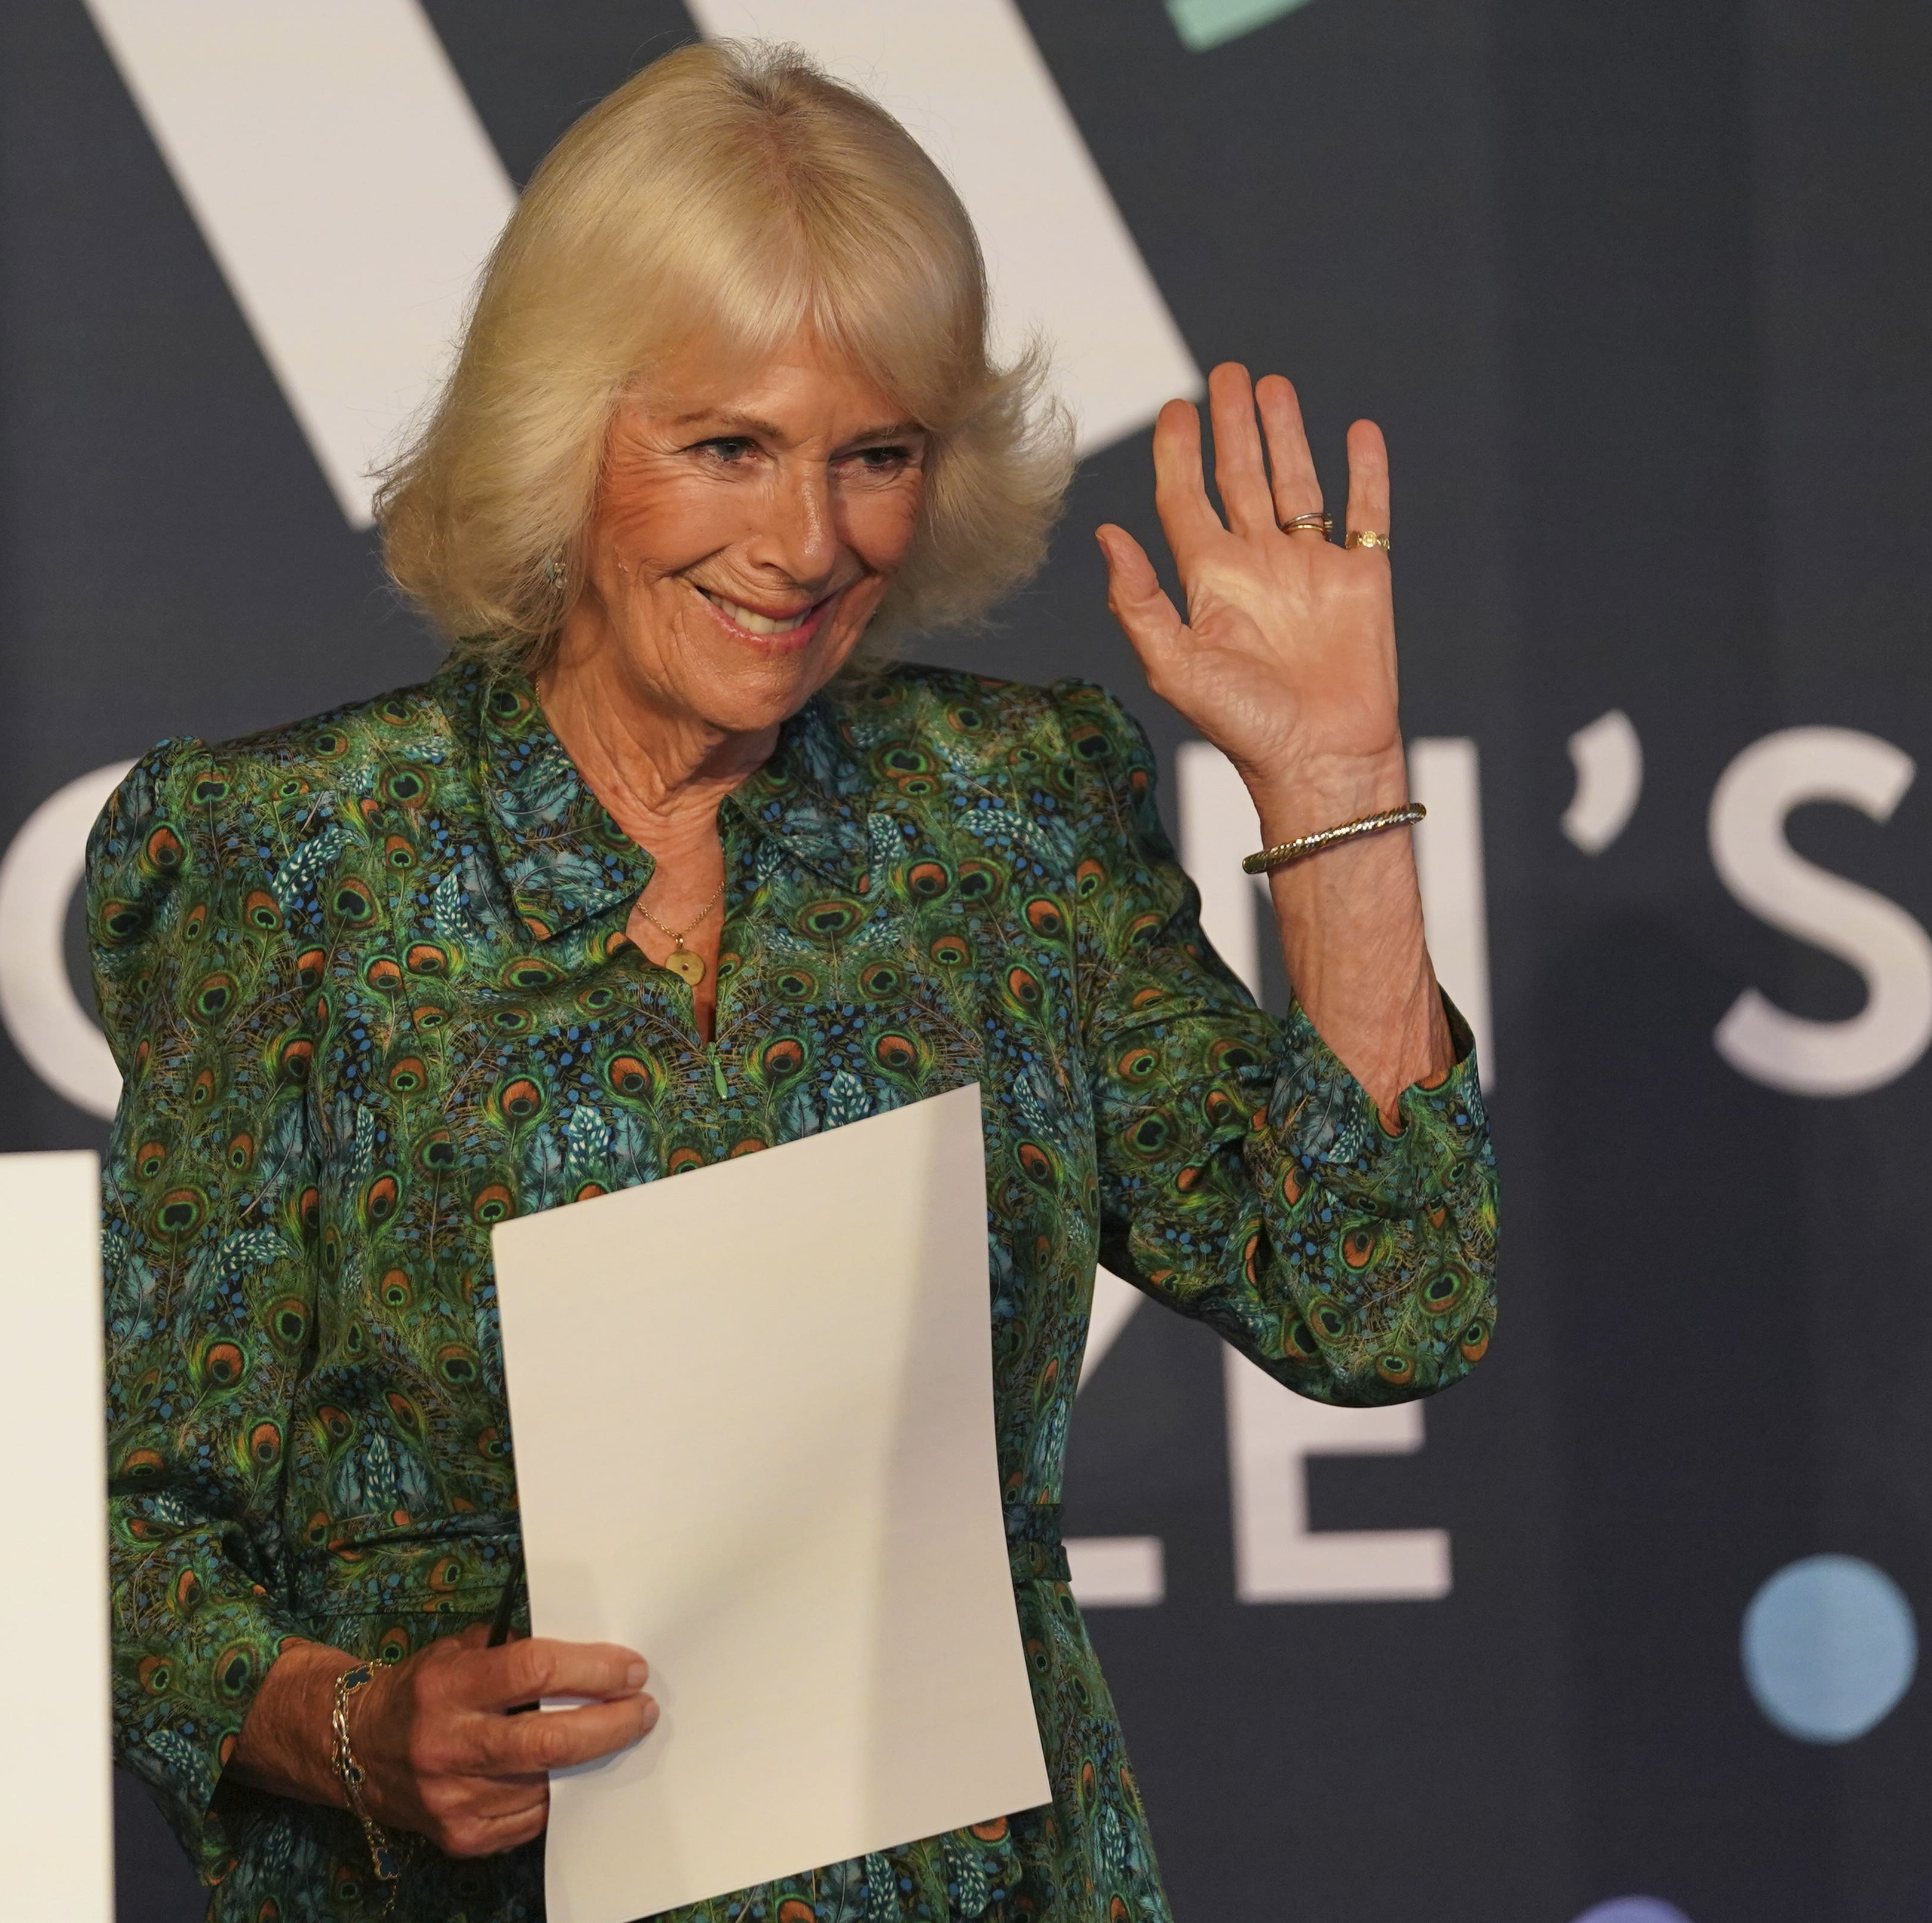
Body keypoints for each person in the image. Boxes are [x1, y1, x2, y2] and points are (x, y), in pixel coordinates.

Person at [88, 39, 1498, 1923]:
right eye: (726, 446)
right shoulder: (288, 863)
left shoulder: (1011, 816)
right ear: (559, 428)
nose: (806, 542)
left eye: (876, 456)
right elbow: (126, 1537)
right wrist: (348, 1727)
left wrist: (1333, 784)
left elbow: (1377, 1299)